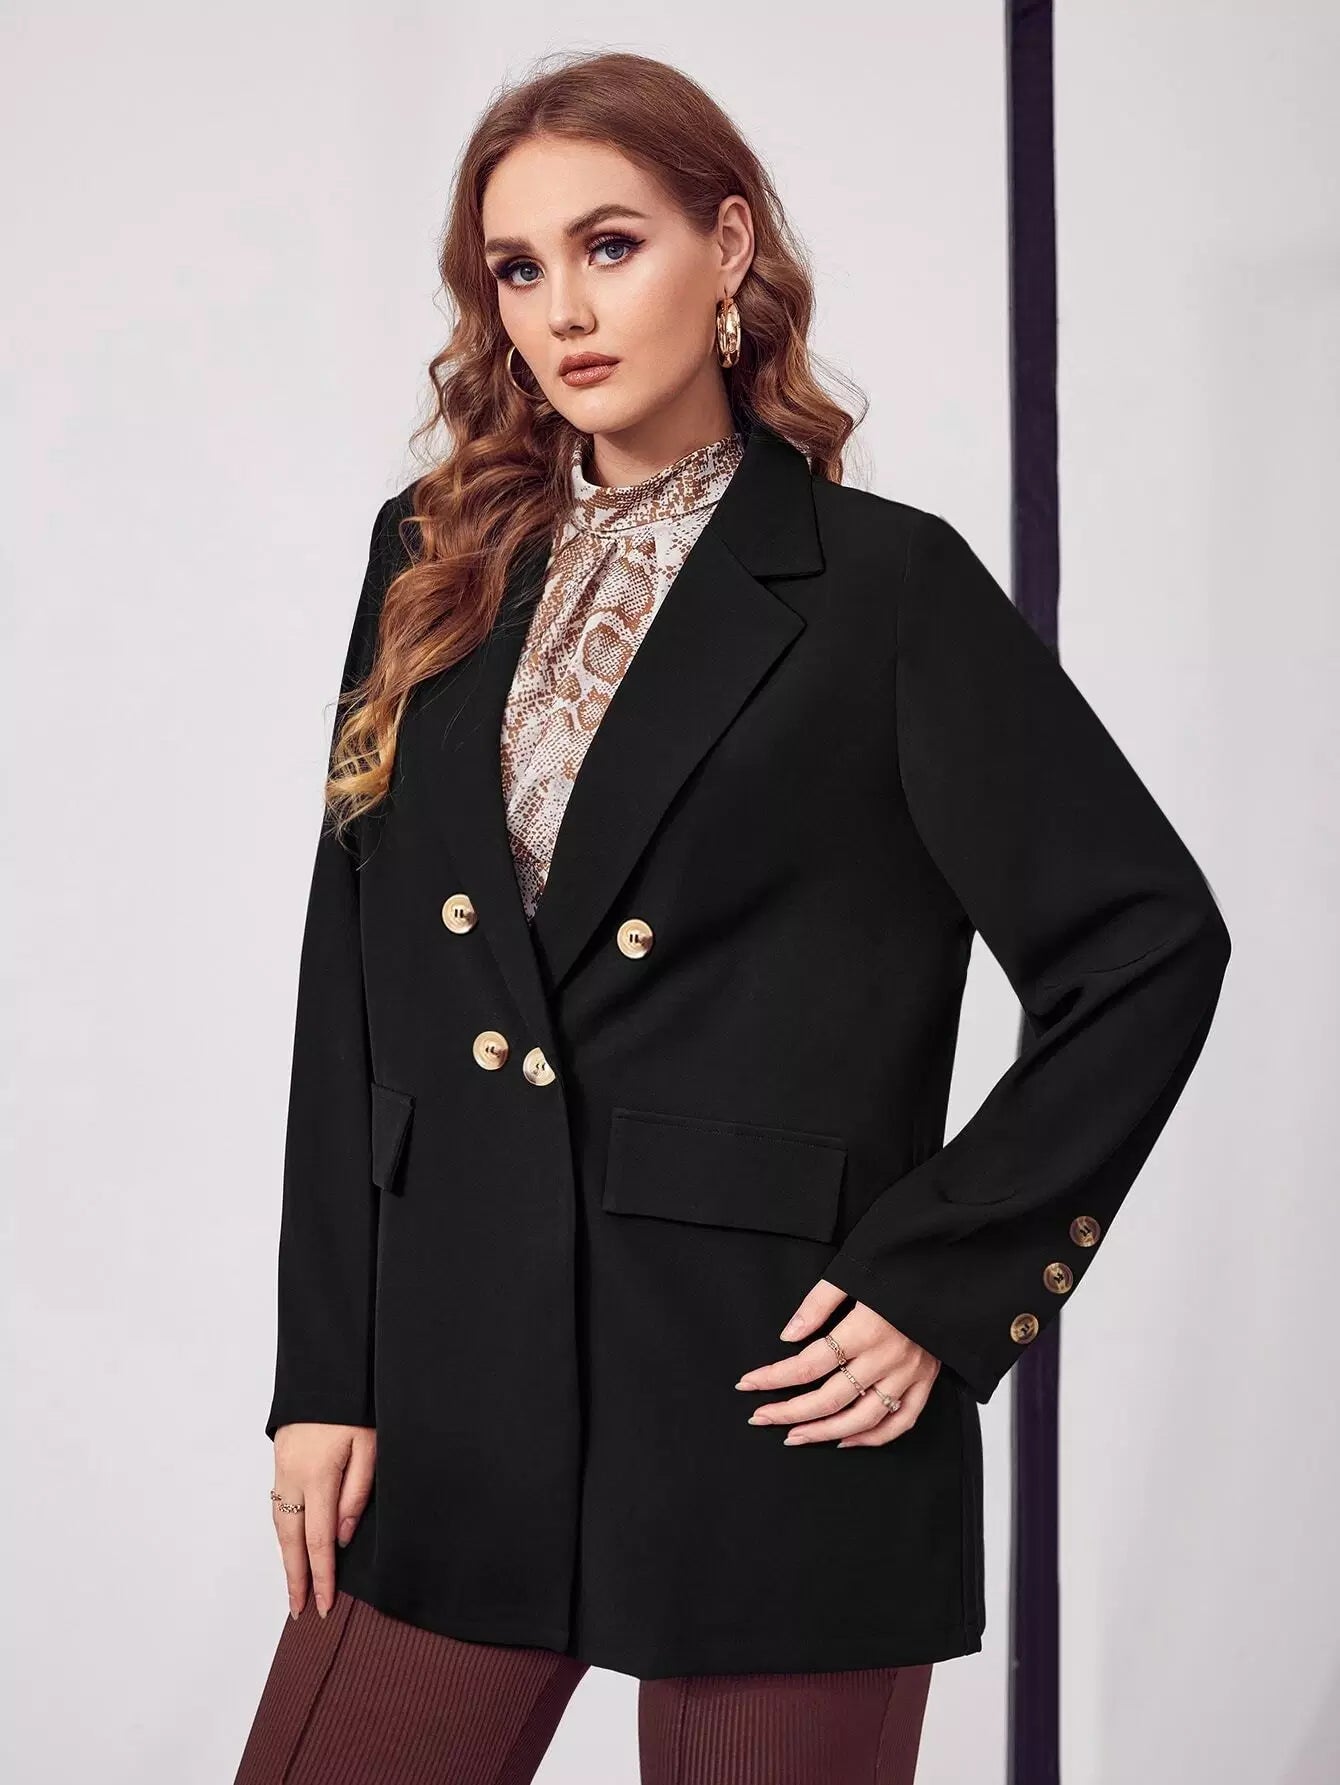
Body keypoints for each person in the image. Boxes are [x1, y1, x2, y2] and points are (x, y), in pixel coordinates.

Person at [233, 48, 1231, 1785]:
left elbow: (1144, 942)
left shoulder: (887, 588)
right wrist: (325, 1366)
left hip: (773, 1388)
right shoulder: (433, 558)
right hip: (458, 1368)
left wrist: (946, 1282)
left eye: (609, 245)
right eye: (518, 268)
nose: (562, 309)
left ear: (730, 245)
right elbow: (355, 975)